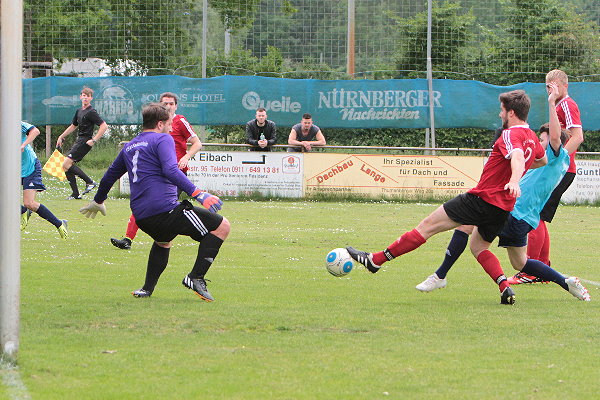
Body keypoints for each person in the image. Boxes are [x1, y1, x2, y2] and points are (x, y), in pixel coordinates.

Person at [345, 90, 546, 305]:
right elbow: (541, 161)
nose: (500, 115)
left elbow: (516, 156)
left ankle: (375, 261)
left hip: (482, 199)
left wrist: (515, 179)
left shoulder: (510, 134)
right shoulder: (532, 138)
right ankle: (504, 286)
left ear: (511, 113)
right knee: (479, 248)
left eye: (502, 111)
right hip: (503, 207)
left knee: (426, 227)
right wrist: (518, 172)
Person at [416, 84, 590, 301]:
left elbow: (556, 137)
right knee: (520, 262)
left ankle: (440, 275)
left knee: (467, 227)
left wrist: (551, 102)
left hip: (512, 210)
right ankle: (564, 281)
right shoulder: (558, 161)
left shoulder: (555, 156)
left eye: (543, 139)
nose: (540, 141)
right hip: (523, 216)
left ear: (557, 144)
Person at [79, 103, 229, 301]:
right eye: (169, 124)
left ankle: (147, 289)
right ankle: (196, 277)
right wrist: (199, 194)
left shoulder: (130, 145)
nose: (171, 128)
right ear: (160, 124)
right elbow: (170, 169)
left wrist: (98, 200)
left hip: (142, 217)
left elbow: (109, 177)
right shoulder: (162, 138)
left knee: (163, 241)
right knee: (222, 227)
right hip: (164, 210)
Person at [508, 69, 585, 285]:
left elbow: (578, 136)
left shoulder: (567, 105)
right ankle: (541, 267)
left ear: (565, 86)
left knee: (534, 215)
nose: (549, 90)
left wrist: (557, 162)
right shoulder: (558, 106)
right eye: (547, 86)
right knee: (540, 216)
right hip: (561, 169)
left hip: (562, 170)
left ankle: (531, 271)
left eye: (554, 86)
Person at [110, 92, 202, 250]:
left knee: (163, 209)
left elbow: (197, 143)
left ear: (176, 106)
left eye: (171, 104)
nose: (168, 106)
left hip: (174, 174)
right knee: (147, 204)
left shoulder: (180, 121)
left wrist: (186, 157)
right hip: (157, 173)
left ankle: (176, 237)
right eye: (165, 104)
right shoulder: (155, 126)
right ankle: (128, 239)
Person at [56, 86, 108, 200]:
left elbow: (104, 126)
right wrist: (61, 136)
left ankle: (90, 182)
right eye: (83, 95)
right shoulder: (79, 111)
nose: (85, 98)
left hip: (85, 141)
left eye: (87, 96)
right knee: (66, 166)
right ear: (80, 97)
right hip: (79, 140)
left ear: (91, 98)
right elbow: (73, 126)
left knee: (65, 164)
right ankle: (75, 194)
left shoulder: (91, 112)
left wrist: (94, 139)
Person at [20, 121, 68, 238]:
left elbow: (35, 131)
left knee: (29, 203)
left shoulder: (14, 122)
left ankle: (59, 223)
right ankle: (23, 211)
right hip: (13, 169)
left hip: (29, 167)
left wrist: (23, 144)